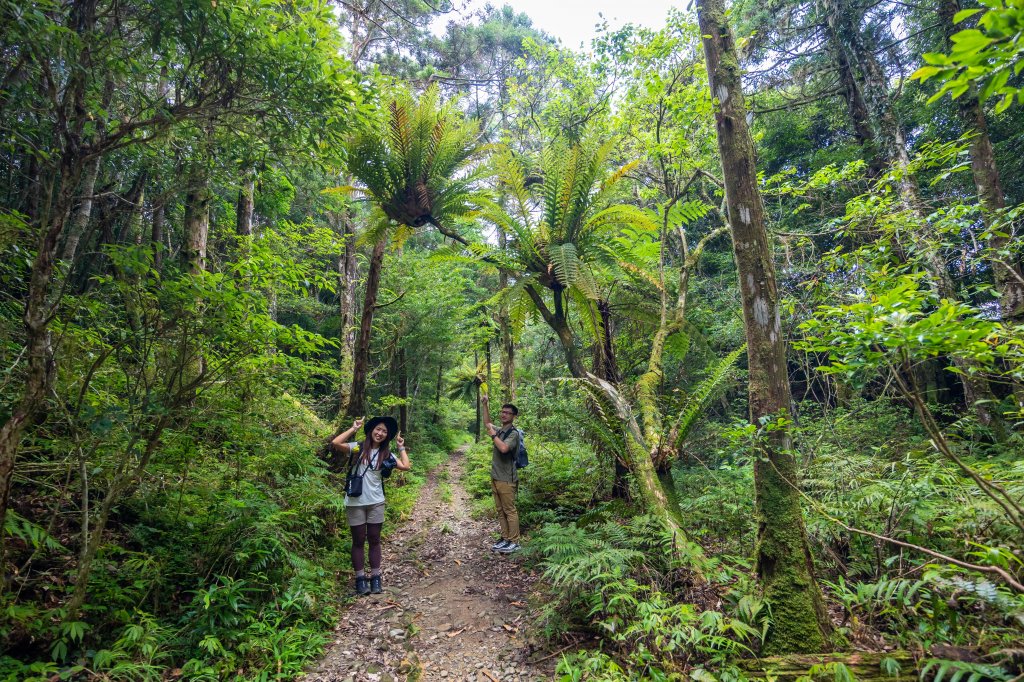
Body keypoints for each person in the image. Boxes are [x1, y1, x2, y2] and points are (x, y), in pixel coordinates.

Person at [331, 415, 410, 595]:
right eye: (378, 429)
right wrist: (354, 428)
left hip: (376, 502)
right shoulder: (358, 447)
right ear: (371, 430)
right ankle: (360, 579)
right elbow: (336, 443)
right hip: (355, 502)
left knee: (374, 540)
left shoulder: (386, 454)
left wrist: (400, 447)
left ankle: (375, 578)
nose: (380, 433)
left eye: (384, 431)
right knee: (358, 541)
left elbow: (405, 466)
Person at [481, 395, 521, 554]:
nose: (504, 414)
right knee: (500, 510)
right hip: (496, 477)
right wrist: (485, 404)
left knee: (509, 510)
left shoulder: (513, 433)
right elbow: (487, 424)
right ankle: (505, 538)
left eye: (507, 413)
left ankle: (515, 541)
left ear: (513, 416)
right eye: (502, 412)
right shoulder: (500, 430)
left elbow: (504, 448)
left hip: (507, 479)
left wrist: (493, 435)